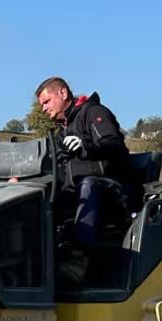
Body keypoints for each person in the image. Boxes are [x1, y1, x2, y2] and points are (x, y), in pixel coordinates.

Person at [35, 76, 132, 286]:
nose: (43, 109)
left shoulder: (94, 113)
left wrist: (85, 148)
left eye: (46, 102)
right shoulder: (62, 130)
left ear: (63, 93)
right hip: (77, 193)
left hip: (110, 191)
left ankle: (77, 261)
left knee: (88, 184)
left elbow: (113, 146)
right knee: (39, 198)